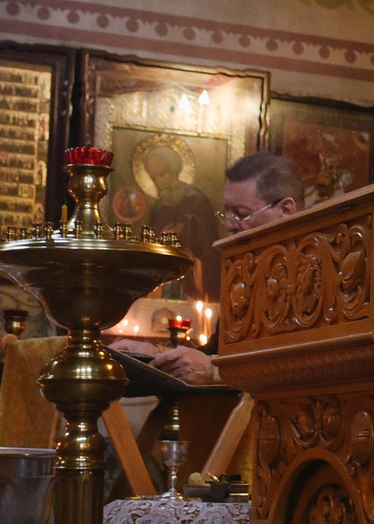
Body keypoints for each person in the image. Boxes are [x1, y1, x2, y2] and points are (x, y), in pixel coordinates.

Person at [123, 151, 303, 387]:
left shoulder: (319, 273)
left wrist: (215, 373)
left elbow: (310, 365)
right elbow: (215, 352)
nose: (228, 225)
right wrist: (153, 354)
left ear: (286, 210)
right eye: (225, 213)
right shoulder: (242, 275)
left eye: (241, 214)